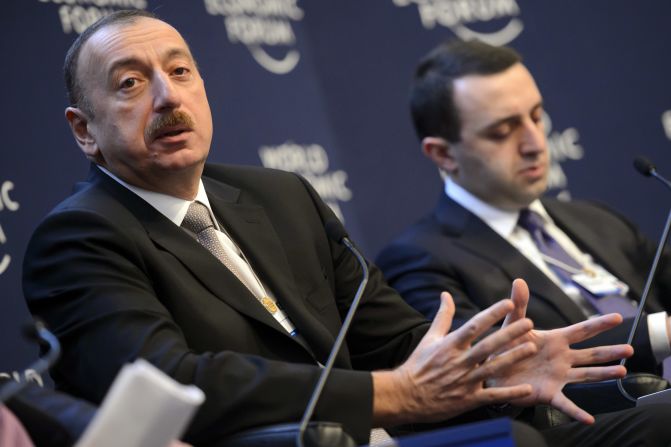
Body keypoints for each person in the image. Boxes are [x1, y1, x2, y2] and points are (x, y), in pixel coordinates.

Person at [21, 11, 670, 446]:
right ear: (84, 130)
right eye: (132, 83)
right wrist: (390, 396)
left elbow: (396, 336)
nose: (167, 97)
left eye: (181, 70)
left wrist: (496, 360)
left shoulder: (277, 195)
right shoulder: (81, 238)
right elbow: (175, 382)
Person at [376, 39, 671, 376]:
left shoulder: (597, 219)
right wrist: (660, 333)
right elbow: (491, 366)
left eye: (536, 117)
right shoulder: (421, 262)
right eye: (502, 131)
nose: (535, 143)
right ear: (443, 154)